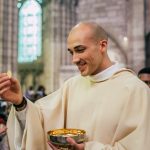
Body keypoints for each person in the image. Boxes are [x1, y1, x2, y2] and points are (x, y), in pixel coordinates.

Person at [0, 22, 150, 150]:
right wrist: (20, 102)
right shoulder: (72, 86)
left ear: (102, 46)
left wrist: (88, 148)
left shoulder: (136, 90)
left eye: (80, 50)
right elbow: (39, 121)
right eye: (71, 52)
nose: (74, 59)